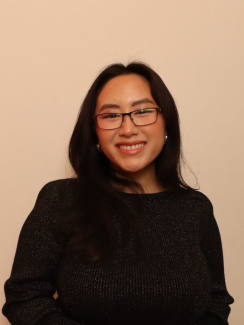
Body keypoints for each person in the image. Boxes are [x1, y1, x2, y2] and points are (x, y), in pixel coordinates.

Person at [2, 62, 234, 325]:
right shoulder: (61, 199)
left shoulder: (195, 208)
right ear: (95, 133)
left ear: (166, 123)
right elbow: (24, 297)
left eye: (143, 111)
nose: (128, 129)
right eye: (111, 116)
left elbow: (216, 302)